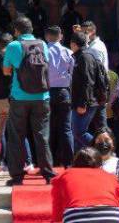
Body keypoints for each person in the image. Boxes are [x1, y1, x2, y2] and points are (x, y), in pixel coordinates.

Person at [2, 16, 54, 186]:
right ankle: (48, 174)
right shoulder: (43, 45)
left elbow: (6, 71)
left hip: (20, 97)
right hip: (42, 97)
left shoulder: (13, 46)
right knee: (42, 136)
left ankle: (17, 176)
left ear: (16, 31)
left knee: (16, 137)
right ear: (31, 29)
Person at [51, 146, 119, 223]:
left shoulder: (64, 176)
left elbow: (58, 206)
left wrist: (55, 221)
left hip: (76, 216)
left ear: (74, 163)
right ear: (100, 164)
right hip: (112, 215)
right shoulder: (111, 177)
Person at [71, 32, 109, 149]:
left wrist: (83, 103)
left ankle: (102, 151)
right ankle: (82, 160)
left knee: (79, 132)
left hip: (86, 102)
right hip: (90, 101)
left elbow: (86, 82)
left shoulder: (83, 57)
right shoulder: (88, 56)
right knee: (77, 134)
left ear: (73, 44)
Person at [44, 25, 76, 168]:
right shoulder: (68, 52)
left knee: (48, 128)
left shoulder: (43, 51)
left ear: (47, 37)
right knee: (66, 128)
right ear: (60, 36)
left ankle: (49, 162)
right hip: (64, 92)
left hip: (47, 92)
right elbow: (73, 74)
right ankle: (69, 162)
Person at [93, 131, 119, 215]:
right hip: (92, 210)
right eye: (100, 140)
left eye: (107, 140)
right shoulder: (88, 164)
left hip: (115, 211)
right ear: (94, 143)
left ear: (112, 144)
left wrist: (113, 201)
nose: (103, 142)